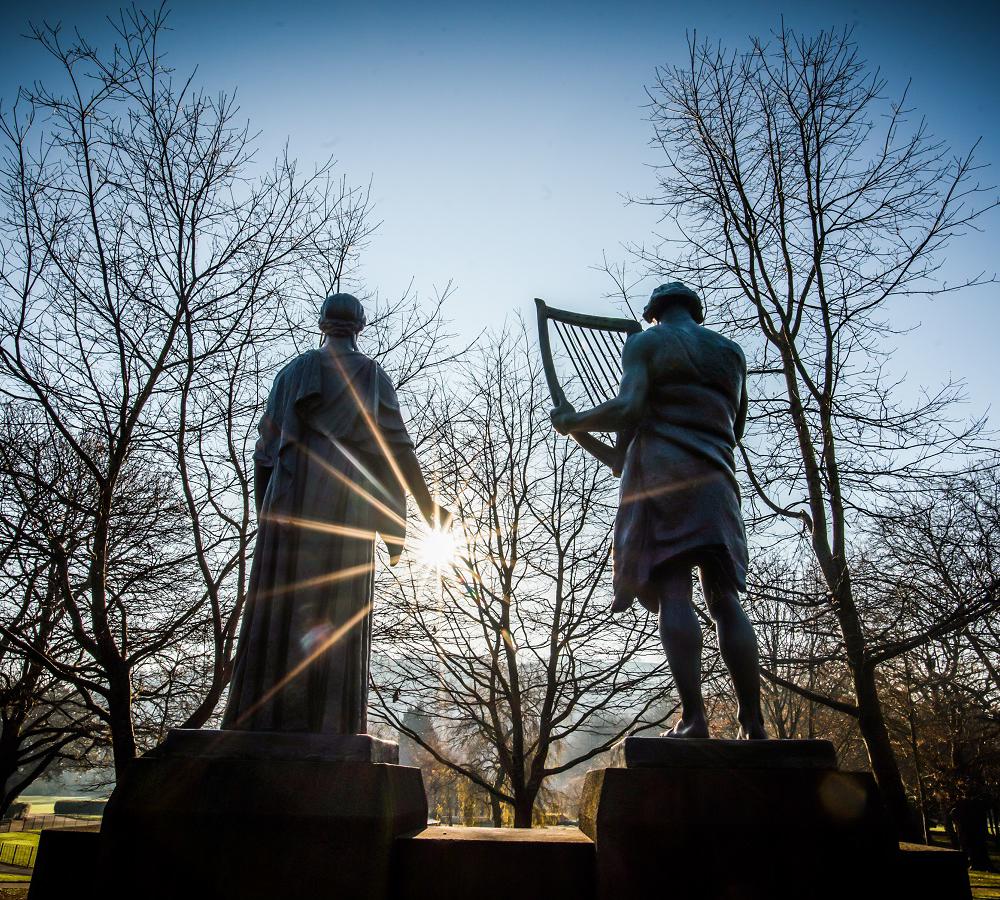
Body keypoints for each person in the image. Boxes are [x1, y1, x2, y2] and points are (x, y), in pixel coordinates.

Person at [223, 293, 449, 734]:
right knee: (339, 604)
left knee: (286, 599)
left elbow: (266, 448)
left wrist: (266, 510)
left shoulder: (292, 373)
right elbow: (397, 446)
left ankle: (271, 717)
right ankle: (330, 724)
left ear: (322, 323)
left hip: (293, 495)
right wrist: (427, 508)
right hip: (346, 498)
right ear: (360, 325)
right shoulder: (371, 376)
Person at [551, 282, 766, 739]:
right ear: (696, 312)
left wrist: (576, 422)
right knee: (726, 599)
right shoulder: (732, 353)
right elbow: (738, 426)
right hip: (717, 482)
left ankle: (694, 719)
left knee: (675, 592)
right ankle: (755, 723)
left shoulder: (646, 343)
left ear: (653, 314)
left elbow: (629, 407)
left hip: (666, 478)